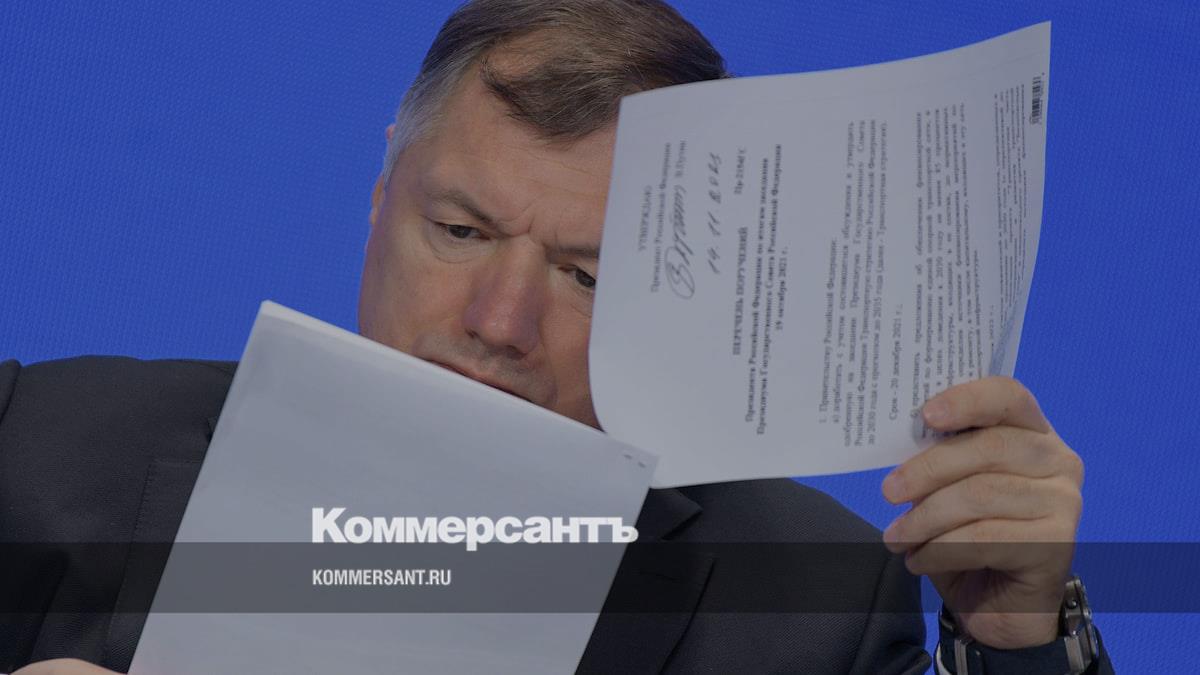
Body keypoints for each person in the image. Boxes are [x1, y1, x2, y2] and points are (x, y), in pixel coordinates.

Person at [1, 1, 1112, 673]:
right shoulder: (38, 451)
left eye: (587, 274)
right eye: (460, 231)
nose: (497, 323)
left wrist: (1017, 641)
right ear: (381, 194)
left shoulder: (810, 607)